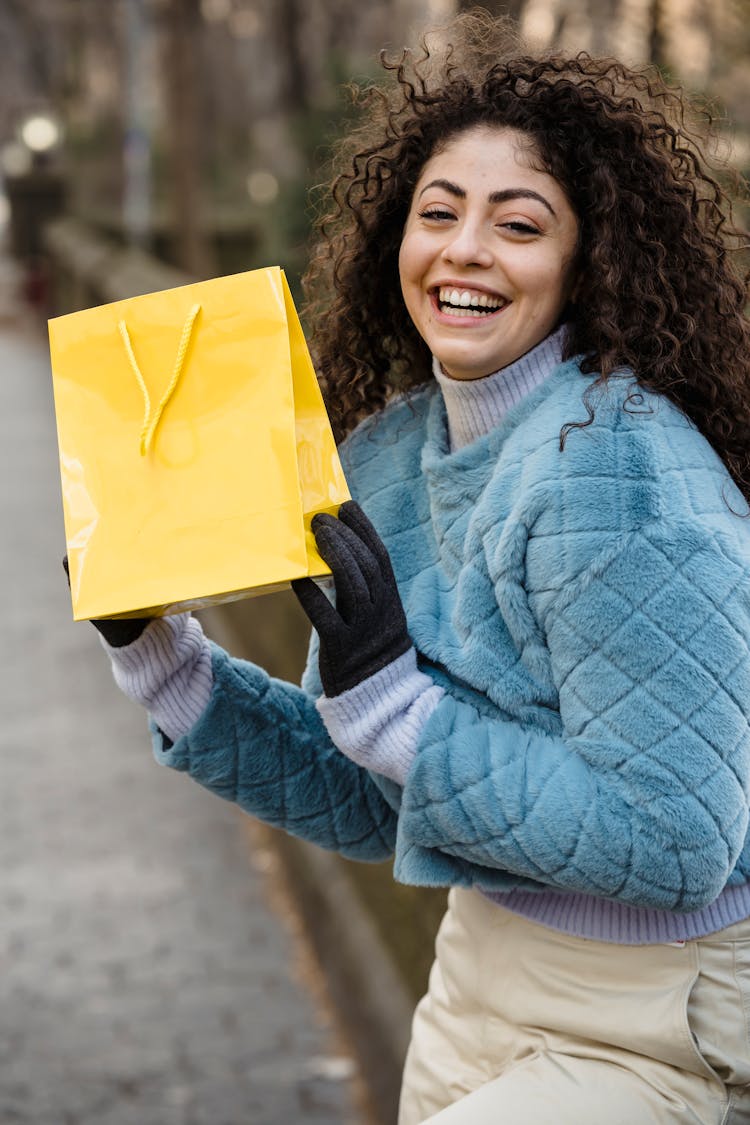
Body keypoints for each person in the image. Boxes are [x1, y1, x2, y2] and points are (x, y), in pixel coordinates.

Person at [76, 11, 750, 1122]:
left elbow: (679, 836)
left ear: (587, 262)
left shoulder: (625, 478)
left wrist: (398, 707)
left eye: (519, 224)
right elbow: (374, 791)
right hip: (476, 973)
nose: (466, 249)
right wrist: (162, 659)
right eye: (439, 214)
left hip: (653, 1020)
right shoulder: (388, 457)